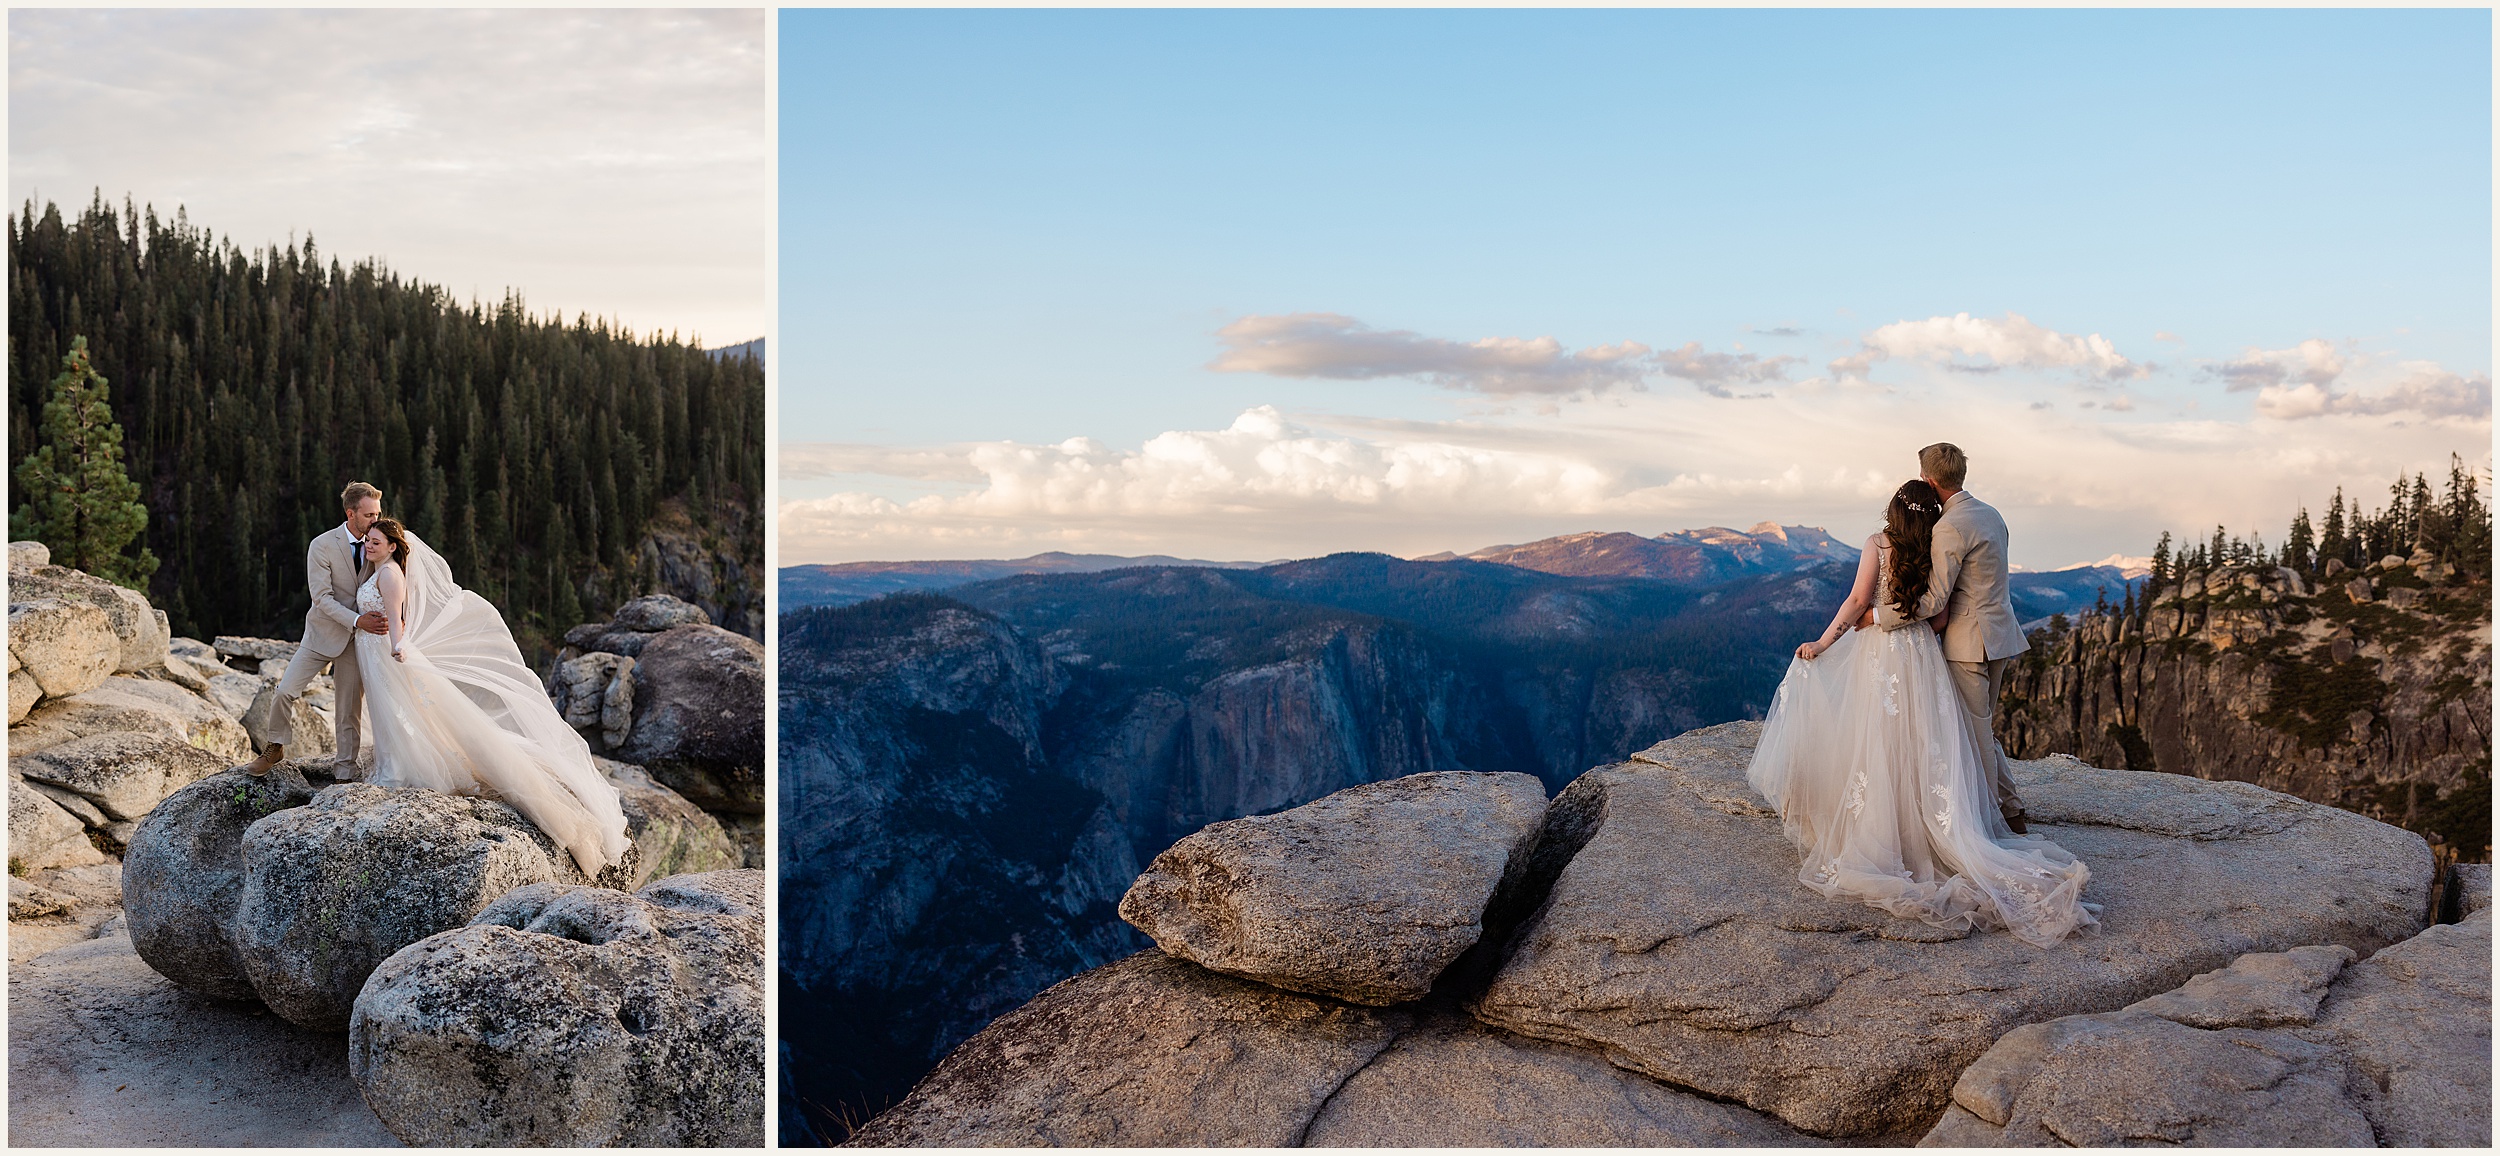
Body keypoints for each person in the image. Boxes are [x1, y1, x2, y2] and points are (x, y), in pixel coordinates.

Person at [1746, 477, 2097, 947]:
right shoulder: (1933, 544)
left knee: (1876, 736)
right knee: (1923, 736)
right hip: (1919, 656)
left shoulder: (1877, 544)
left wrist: (1825, 641)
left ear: (1893, 509)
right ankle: (1940, 821)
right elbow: (1941, 617)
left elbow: (1855, 601)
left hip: (1878, 653)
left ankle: (1883, 831)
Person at [351, 515, 628, 878]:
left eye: (375, 541)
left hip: (386, 652)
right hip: (373, 651)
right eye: (367, 539)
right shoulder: (378, 570)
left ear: (391, 547)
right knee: (393, 710)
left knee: (399, 707)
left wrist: (398, 646)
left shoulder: (389, 575)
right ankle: (396, 761)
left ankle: (401, 766)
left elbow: (396, 618)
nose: (369, 545)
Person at [1874, 442, 2031, 833]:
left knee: (1973, 732)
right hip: (2001, 634)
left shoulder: (1949, 527)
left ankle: (1986, 823)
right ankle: (2012, 810)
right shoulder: (1991, 515)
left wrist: (1878, 615)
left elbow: (1933, 601)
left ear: (1929, 480)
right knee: (1982, 726)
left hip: (1968, 642)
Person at [236, 481, 389, 776]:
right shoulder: (321, 545)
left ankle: (345, 771)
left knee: (348, 711)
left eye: (378, 513)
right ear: (351, 514)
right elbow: (321, 599)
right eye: (370, 515)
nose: (376, 520)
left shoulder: (379, 544)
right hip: (321, 634)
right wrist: (357, 620)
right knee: (285, 691)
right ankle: (275, 747)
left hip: (358, 642)